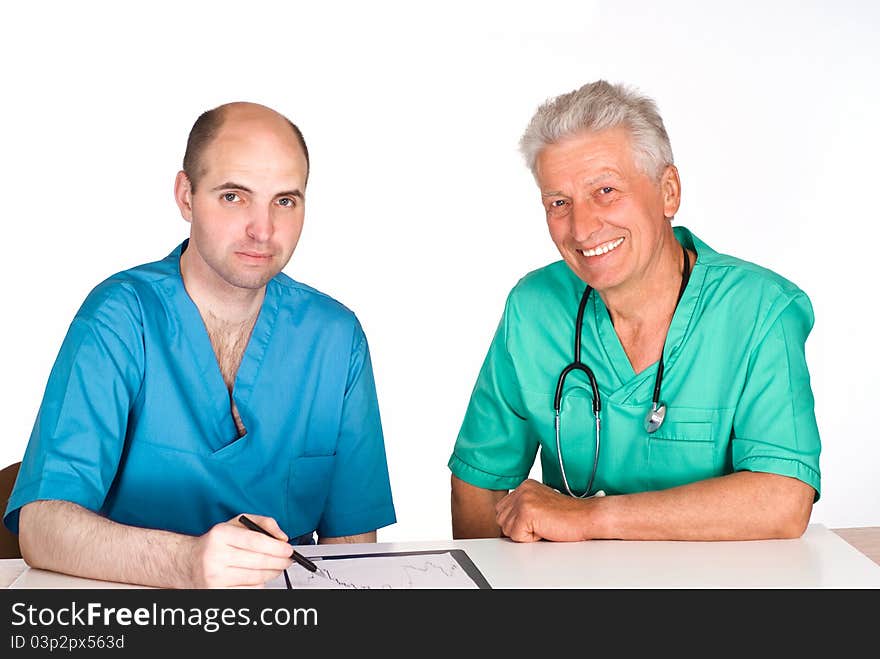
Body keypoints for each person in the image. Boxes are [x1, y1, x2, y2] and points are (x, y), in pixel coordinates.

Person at [4, 102, 396, 587]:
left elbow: (352, 546)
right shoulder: (120, 318)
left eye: (285, 201)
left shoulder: (336, 337)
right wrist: (188, 561)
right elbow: (41, 529)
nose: (263, 229)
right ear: (186, 196)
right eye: (234, 196)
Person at [448, 80, 821, 542]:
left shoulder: (760, 310)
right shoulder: (533, 308)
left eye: (605, 190)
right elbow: (479, 481)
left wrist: (588, 519)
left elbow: (783, 501)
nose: (582, 228)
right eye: (558, 203)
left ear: (668, 191)